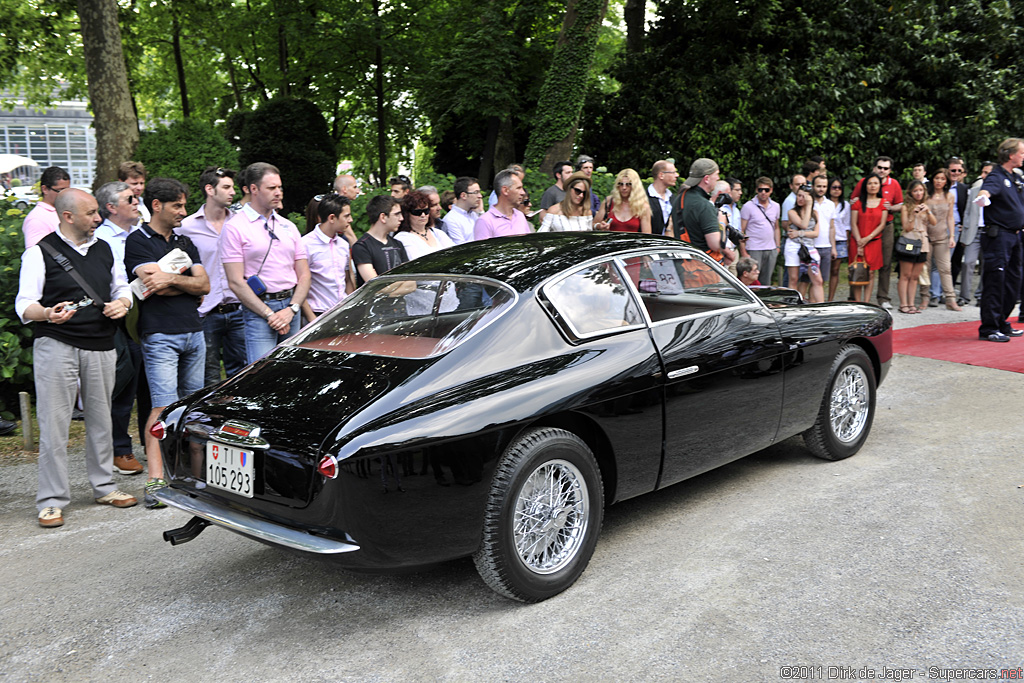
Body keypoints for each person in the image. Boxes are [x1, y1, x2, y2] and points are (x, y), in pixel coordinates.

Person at [16, 189, 138, 527]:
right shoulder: (38, 253)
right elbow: (24, 304)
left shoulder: (106, 248)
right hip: (57, 344)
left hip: (101, 344)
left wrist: (123, 303)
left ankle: (104, 487)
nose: (98, 218)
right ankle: (51, 500)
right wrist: (46, 313)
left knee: (102, 419)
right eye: (91, 213)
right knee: (54, 426)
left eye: (98, 212)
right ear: (68, 216)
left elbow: (122, 287)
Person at [124, 177, 210, 508]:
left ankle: (195, 477)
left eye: (185, 205)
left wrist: (173, 279)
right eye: (177, 205)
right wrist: (185, 281)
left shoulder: (185, 242)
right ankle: (156, 480)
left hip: (194, 331)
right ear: (156, 205)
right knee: (161, 406)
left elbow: (203, 285)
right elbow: (150, 284)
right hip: (159, 333)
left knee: (193, 408)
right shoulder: (137, 241)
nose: (183, 212)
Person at [222, 162, 311, 363]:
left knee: (291, 372)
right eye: (272, 188)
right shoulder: (235, 227)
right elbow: (235, 281)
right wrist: (270, 314)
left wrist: (293, 308)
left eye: (280, 187)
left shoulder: (287, 226)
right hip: (259, 311)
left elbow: (304, 274)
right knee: (261, 375)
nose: (278, 193)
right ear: (253, 189)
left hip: (291, 306)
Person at [177, 166, 248, 385]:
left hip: (239, 308)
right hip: (205, 311)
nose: (233, 192)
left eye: (233, 187)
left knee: (244, 373)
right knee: (208, 376)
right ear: (210, 189)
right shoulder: (186, 227)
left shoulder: (241, 222)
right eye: (226, 187)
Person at [94, 181, 146, 476]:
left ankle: (145, 444)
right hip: (116, 319)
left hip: (144, 318)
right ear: (112, 207)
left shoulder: (139, 235)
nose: (137, 202)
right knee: (122, 384)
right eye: (130, 199)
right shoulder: (103, 239)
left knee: (146, 386)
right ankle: (118, 449)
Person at [973, 137, 1024, 342]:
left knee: (1013, 282)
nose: (1023, 156)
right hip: (999, 236)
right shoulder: (996, 175)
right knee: (996, 281)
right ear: (1010, 155)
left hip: (1015, 236)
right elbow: (987, 189)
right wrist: (983, 197)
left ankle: (1002, 321)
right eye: (1021, 152)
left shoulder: (1016, 177)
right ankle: (989, 327)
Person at [852, 157, 903, 309]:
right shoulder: (863, 182)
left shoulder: (894, 184)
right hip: (864, 225)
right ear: (874, 168)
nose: (882, 170)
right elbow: (853, 199)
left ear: (890, 171)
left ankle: (883, 297)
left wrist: (890, 208)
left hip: (885, 225)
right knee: (858, 263)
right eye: (879, 167)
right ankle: (853, 298)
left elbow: (900, 204)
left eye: (885, 168)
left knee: (885, 263)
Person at [394, 191, 457, 314]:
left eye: (426, 211)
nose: (423, 215)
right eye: (417, 212)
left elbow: (456, 256)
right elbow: (420, 266)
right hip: (422, 304)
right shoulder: (403, 238)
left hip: (449, 298)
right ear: (407, 214)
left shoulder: (437, 233)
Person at [301, 193, 356, 320]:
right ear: (332, 218)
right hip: (318, 314)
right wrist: (312, 320)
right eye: (346, 216)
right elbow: (299, 285)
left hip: (342, 312)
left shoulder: (343, 244)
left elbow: (347, 279)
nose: (351, 220)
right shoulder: (305, 245)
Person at [673, 158, 735, 265]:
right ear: (706, 179)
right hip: (703, 269)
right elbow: (715, 244)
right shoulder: (704, 205)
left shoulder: (680, 199)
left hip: (682, 264)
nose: (718, 178)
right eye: (716, 174)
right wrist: (722, 222)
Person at [922, 169, 961, 311]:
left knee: (945, 268)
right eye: (937, 178)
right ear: (933, 179)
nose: (939, 181)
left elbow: (950, 217)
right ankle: (925, 297)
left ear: (946, 181)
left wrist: (952, 236)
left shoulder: (949, 196)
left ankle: (950, 299)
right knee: (925, 268)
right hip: (926, 236)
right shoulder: (926, 195)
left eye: (942, 179)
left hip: (942, 236)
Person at [352, 195, 409, 286]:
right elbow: (375, 286)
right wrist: (402, 286)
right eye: (397, 214)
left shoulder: (398, 244)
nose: (401, 218)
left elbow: (412, 284)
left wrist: (387, 289)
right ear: (383, 217)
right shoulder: (362, 246)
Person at [849, 173, 889, 303]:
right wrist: (860, 241)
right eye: (870, 183)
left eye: (875, 183)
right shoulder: (858, 203)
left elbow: (882, 224)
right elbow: (853, 223)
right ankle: (858, 302)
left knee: (871, 273)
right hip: (857, 241)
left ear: (879, 186)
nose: (873, 186)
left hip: (873, 242)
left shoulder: (883, 203)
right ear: (865, 186)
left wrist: (868, 238)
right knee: (858, 271)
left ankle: (866, 303)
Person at [959, 162, 994, 306]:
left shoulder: (998, 192)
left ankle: (981, 295)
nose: (983, 175)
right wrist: (964, 235)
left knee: (987, 265)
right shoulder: (974, 190)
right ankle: (964, 296)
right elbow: (967, 212)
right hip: (974, 232)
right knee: (968, 263)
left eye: (987, 173)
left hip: (990, 232)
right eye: (983, 172)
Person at [896, 181, 933, 314]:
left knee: (915, 276)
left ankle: (911, 304)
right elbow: (907, 227)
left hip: (923, 243)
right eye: (915, 191)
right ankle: (903, 304)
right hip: (909, 242)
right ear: (911, 193)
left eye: (921, 190)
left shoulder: (926, 206)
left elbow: (933, 223)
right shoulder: (906, 207)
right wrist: (913, 214)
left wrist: (927, 211)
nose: (918, 193)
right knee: (905, 275)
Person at [785, 185, 824, 302]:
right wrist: (808, 207)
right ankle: (794, 306)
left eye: (804, 196)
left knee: (817, 279)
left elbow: (816, 233)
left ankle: (821, 305)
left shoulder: (815, 213)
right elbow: (804, 224)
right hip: (793, 246)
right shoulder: (792, 212)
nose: (800, 199)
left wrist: (799, 233)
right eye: (799, 195)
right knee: (793, 278)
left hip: (809, 247)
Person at [740, 177, 781, 285]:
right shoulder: (748, 206)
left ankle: (765, 302)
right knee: (752, 281)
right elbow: (741, 231)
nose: (763, 193)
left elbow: (776, 227)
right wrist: (744, 252)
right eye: (760, 190)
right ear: (756, 190)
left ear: (771, 190)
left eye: (766, 190)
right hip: (754, 249)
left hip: (771, 249)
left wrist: (777, 247)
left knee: (766, 282)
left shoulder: (776, 206)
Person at [474, 169, 531, 240]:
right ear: (505, 190)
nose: (522, 192)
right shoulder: (485, 221)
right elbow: (482, 250)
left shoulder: (520, 216)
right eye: (518, 188)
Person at [22, 166, 70, 248]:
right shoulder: (37, 219)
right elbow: (36, 253)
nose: (66, 195)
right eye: (61, 190)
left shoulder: (62, 210)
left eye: (67, 191)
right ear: (45, 189)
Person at [595, 168, 652, 233]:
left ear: (635, 186)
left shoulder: (643, 206)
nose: (624, 188)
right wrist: (599, 226)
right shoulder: (608, 202)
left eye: (628, 184)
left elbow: (647, 235)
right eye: (621, 184)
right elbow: (593, 224)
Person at [827, 177, 852, 301]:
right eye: (834, 187)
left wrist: (847, 242)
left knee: (835, 270)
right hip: (825, 240)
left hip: (840, 239)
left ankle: (830, 299)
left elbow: (847, 225)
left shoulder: (845, 205)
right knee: (821, 270)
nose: (837, 190)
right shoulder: (824, 203)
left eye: (839, 188)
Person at [443, 176, 481, 244]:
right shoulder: (451, 220)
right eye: (476, 192)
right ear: (463, 195)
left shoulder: (473, 214)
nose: (480, 196)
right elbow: (461, 249)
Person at [647, 160, 678, 236]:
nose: (677, 175)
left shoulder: (673, 198)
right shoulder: (644, 198)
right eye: (673, 172)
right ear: (661, 175)